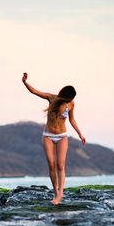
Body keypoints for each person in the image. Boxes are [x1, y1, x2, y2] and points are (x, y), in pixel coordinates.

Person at [22, 72, 86, 205]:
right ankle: (56, 193)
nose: (69, 101)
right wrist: (25, 82)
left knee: (60, 165)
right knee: (51, 164)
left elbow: (72, 120)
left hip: (62, 136)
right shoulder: (52, 98)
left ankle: (61, 193)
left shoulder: (71, 104)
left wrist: (80, 133)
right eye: (68, 99)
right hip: (48, 135)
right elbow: (34, 91)